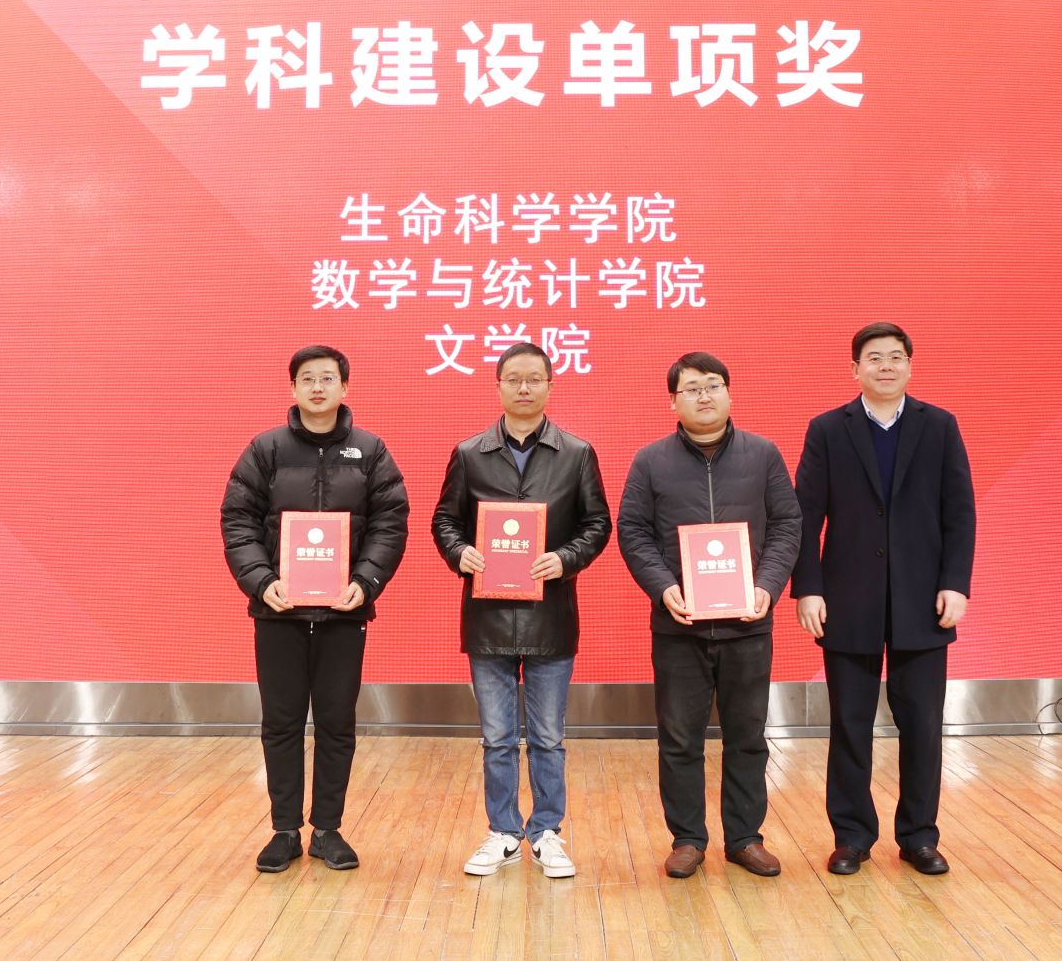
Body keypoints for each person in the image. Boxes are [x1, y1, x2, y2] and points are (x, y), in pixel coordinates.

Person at [792, 322, 975, 877]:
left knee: (923, 724)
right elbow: (805, 518)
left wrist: (956, 583)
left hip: (923, 599)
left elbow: (960, 512)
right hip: (848, 598)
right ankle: (852, 836)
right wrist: (808, 588)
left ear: (910, 366)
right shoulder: (828, 429)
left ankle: (919, 837)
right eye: (874, 358)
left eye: (896, 356)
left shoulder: (939, 426)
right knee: (850, 723)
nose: (886, 366)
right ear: (855, 369)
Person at [222, 344, 408, 873]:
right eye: (308, 378)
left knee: (336, 723)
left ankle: (328, 829)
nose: (318, 387)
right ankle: (284, 830)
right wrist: (261, 582)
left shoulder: (370, 451)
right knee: (281, 723)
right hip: (277, 612)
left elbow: (390, 523)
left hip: (343, 613)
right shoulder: (266, 449)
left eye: (328, 378)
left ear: (345, 387)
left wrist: (365, 582)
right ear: (294, 388)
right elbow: (238, 520)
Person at [618, 351, 800, 880]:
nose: (704, 396)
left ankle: (744, 838)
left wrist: (768, 586)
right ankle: (687, 840)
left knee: (748, 735)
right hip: (679, 627)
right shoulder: (651, 461)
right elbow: (633, 530)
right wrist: (663, 587)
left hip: (748, 625)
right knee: (680, 739)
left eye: (713, 385)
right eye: (692, 388)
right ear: (673, 401)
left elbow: (787, 524)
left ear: (728, 393)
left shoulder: (763, 454)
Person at [432, 341, 612, 879]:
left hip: (550, 616)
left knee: (549, 737)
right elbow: (445, 520)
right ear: (499, 387)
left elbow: (597, 524)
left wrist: (566, 558)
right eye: (514, 379)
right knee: (497, 738)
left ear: (551, 385)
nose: (525, 387)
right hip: (487, 619)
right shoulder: (469, 453)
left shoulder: (576, 453)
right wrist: (459, 552)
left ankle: (547, 831)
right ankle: (504, 832)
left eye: (535, 378)